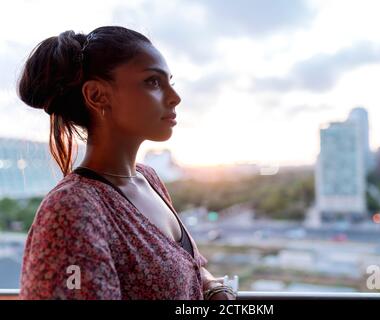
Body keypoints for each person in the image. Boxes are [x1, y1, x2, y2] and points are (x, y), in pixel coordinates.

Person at [17, 26, 235, 300]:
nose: (175, 97)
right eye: (153, 82)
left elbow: (187, 269)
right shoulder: (71, 210)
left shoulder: (148, 179)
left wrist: (217, 291)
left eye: (170, 81)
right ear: (97, 95)